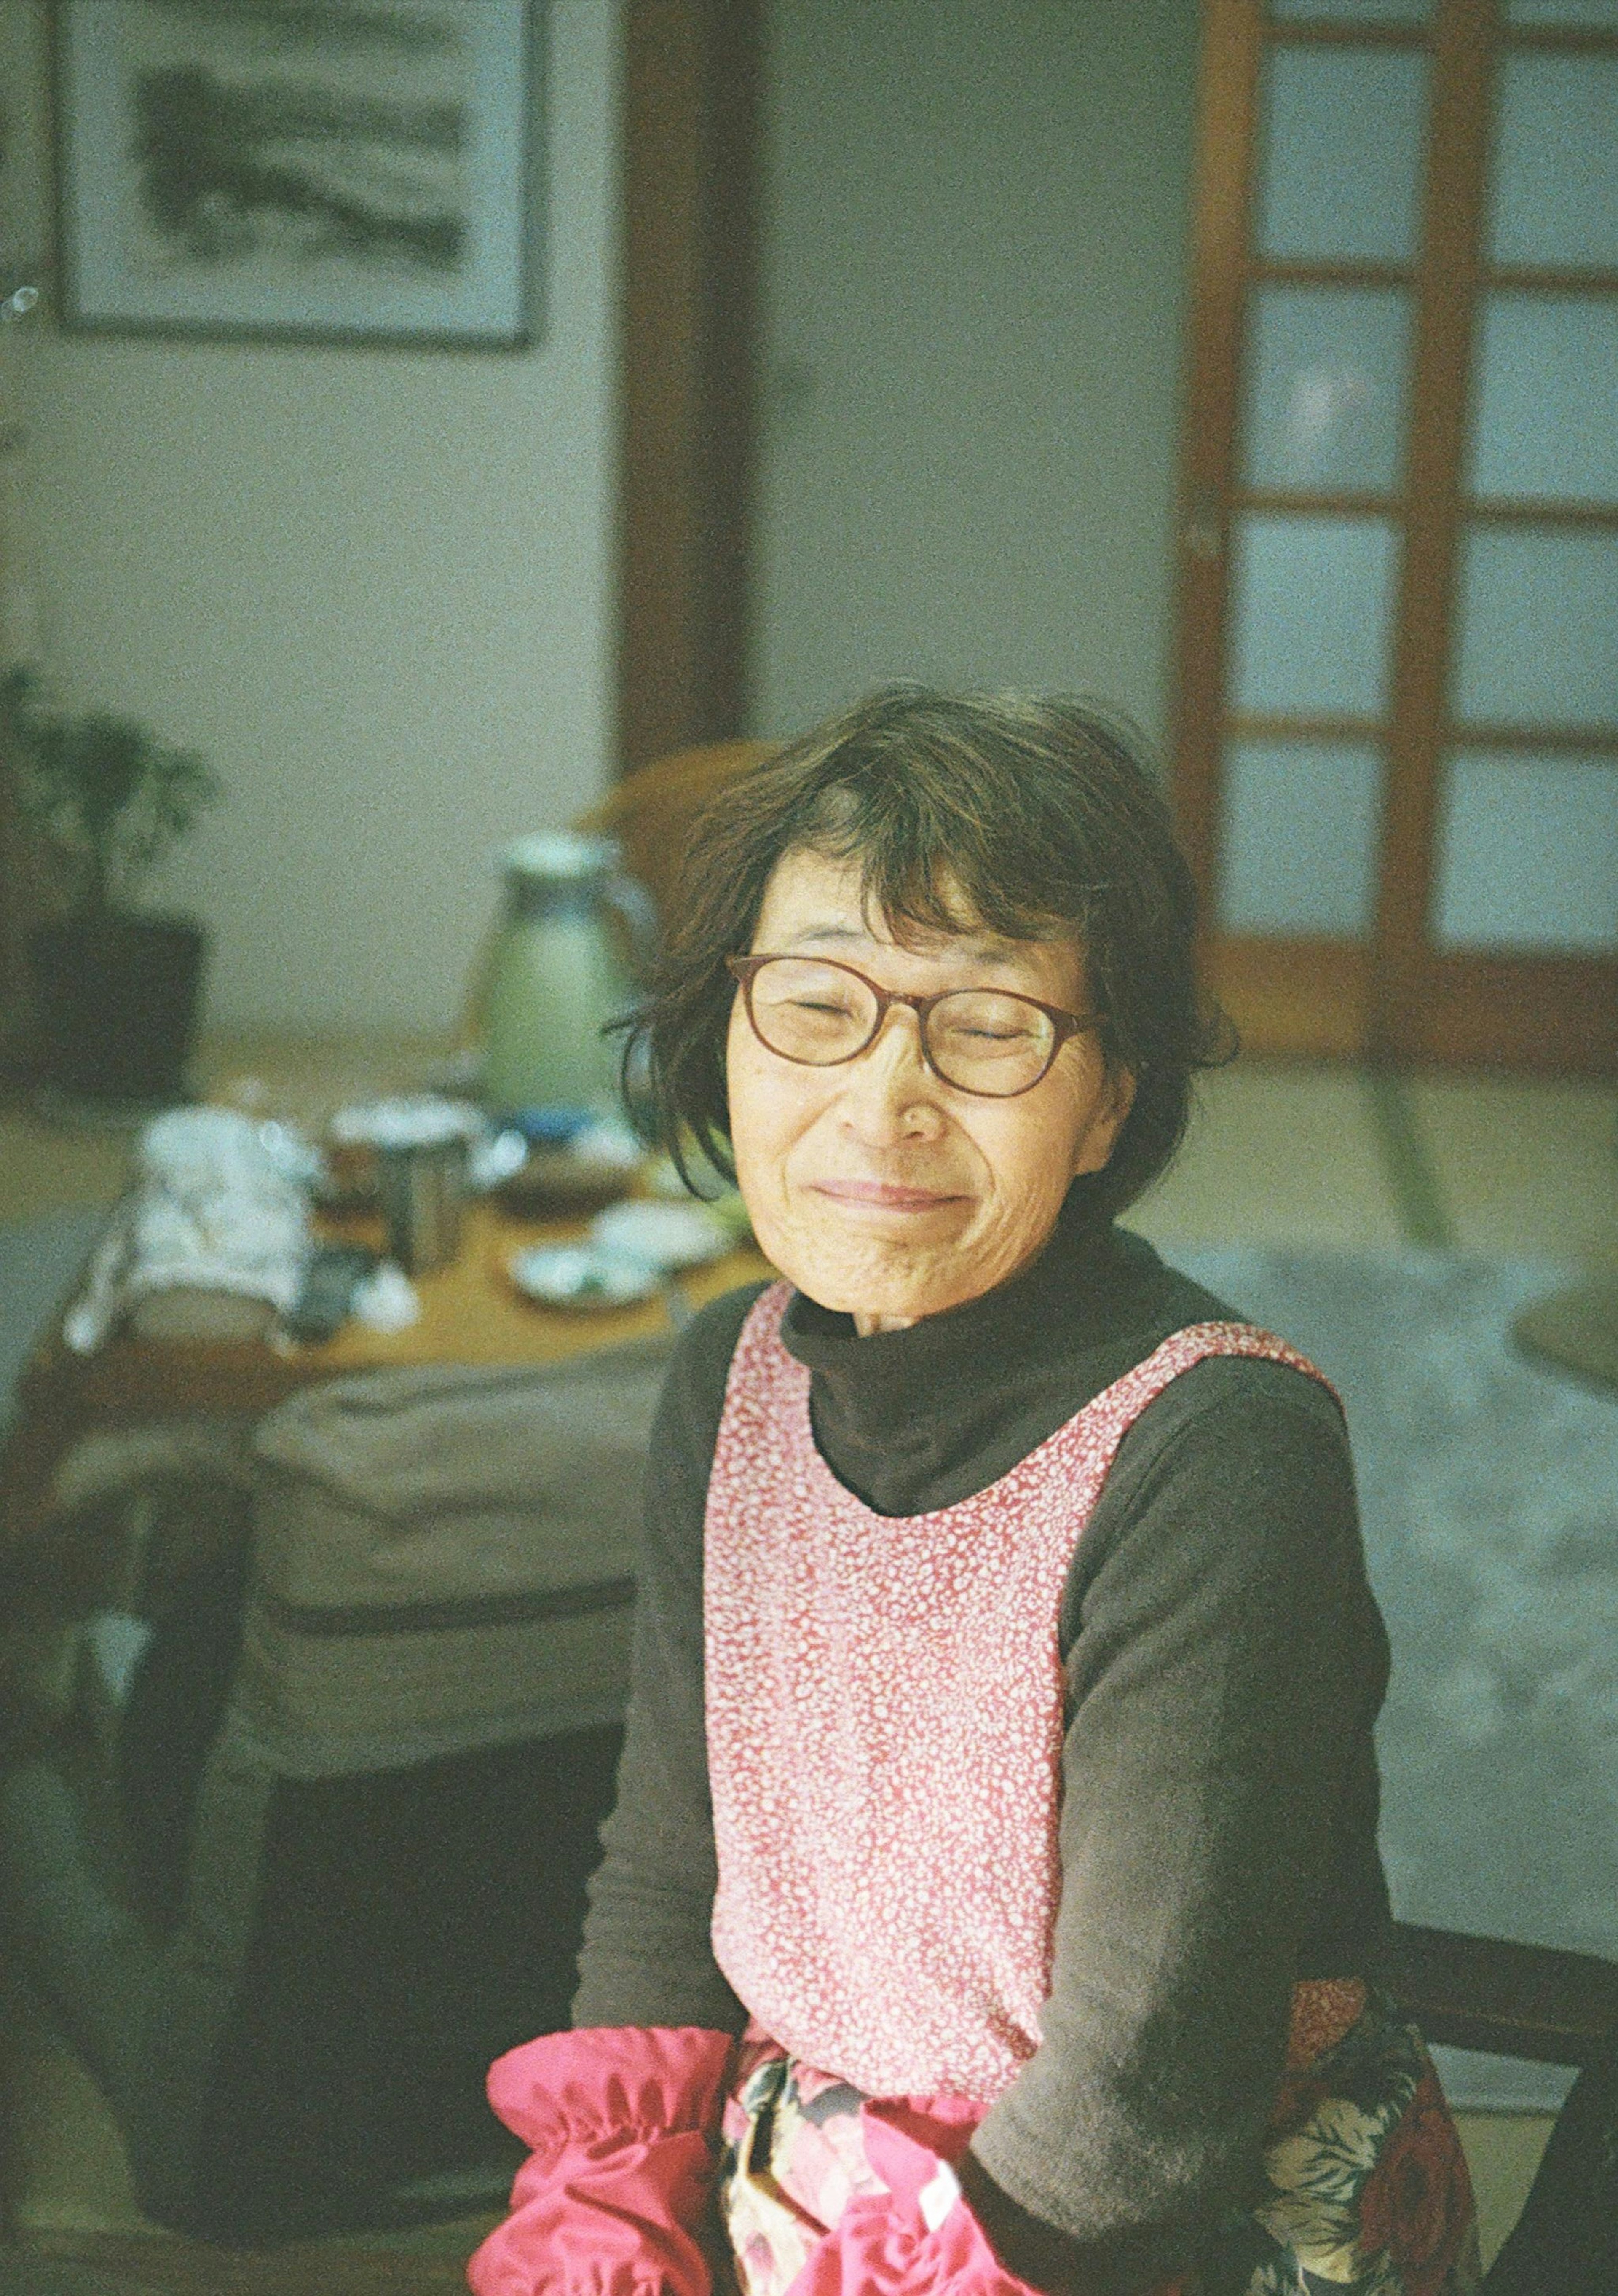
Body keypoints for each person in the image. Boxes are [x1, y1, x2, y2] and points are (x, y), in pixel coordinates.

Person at [469, 688, 1479, 2296]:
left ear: (1111, 1102)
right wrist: (607, 2203)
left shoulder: (1218, 1452)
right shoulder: (729, 1380)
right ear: (725, 1033)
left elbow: (1142, 2098)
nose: (884, 1102)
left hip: (1144, 2217)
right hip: (823, 2174)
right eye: (815, 1005)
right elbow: (667, 1865)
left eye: (989, 1024)